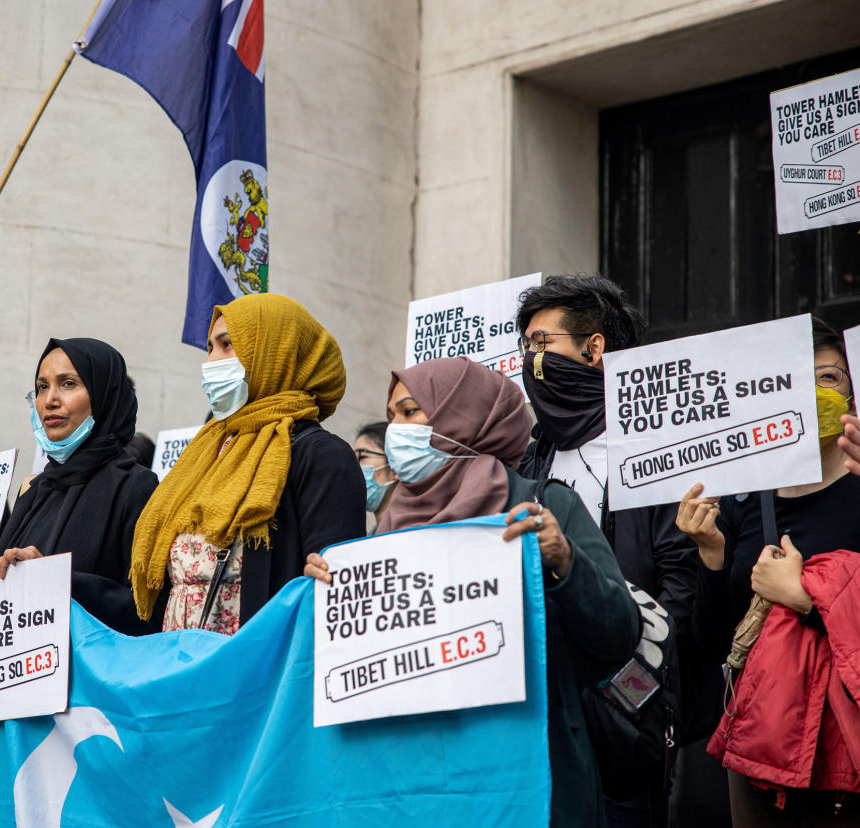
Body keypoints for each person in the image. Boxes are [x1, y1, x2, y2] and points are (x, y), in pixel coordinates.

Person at [304, 357, 639, 827]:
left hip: (527, 775)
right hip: (415, 786)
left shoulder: (545, 505)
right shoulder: (386, 530)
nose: (396, 429)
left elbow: (619, 636)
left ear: (460, 417)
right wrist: (324, 590)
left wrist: (565, 563)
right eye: (393, 414)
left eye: (409, 412)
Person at [514, 275, 705, 824]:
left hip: (628, 717)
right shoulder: (533, 459)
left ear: (594, 348)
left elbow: (681, 586)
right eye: (525, 347)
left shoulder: (653, 448)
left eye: (542, 344)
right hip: (552, 711)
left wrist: (639, 689)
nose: (531, 360)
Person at [677, 317, 860, 823]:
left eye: (829, 378)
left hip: (846, 747)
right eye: (794, 378)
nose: (814, 390)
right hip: (768, 748)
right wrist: (711, 555)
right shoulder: (744, 499)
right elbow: (715, 643)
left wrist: (803, 600)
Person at [129, 293, 366, 634]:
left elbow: (335, 588)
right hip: (183, 665)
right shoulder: (208, 450)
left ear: (276, 352)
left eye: (227, 345)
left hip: (259, 671)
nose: (211, 361)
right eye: (210, 347)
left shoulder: (320, 455)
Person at [0, 338, 160, 635]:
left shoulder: (136, 486)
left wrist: (55, 577)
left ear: (105, 396)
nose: (49, 400)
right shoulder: (35, 491)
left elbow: (147, 610)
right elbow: (9, 590)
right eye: (42, 387)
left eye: (68, 384)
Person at [354, 421, 396, 528]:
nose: (354, 467)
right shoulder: (371, 537)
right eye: (352, 460)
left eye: (362, 457)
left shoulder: (416, 533)